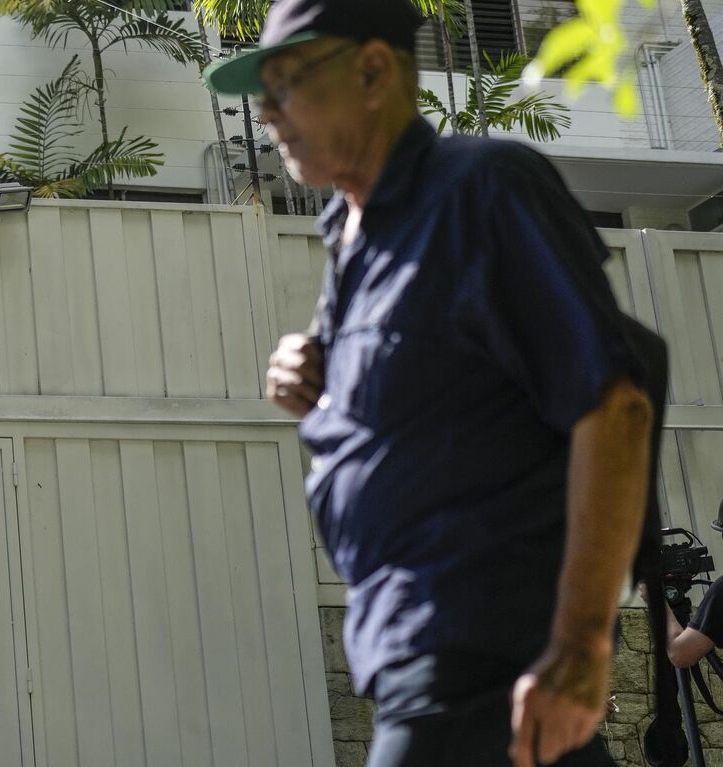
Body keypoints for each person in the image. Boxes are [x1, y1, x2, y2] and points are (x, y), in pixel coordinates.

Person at [202, 1, 657, 766]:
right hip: (419, 661)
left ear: (375, 70)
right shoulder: (353, 235)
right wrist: (314, 381)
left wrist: (581, 641)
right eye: (260, 93)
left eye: (285, 84)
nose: (266, 113)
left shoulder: (481, 191)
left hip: (479, 648)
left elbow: (616, 406)